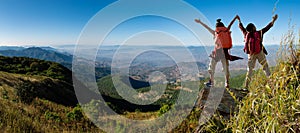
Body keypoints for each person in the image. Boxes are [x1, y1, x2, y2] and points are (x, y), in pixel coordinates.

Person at [195, 15, 239, 88]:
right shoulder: (226, 30)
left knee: (212, 66)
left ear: (216, 27)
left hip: (217, 52)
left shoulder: (216, 32)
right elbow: (231, 23)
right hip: (225, 52)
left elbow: (207, 28)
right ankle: (227, 83)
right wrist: (235, 18)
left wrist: (200, 22)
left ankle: (211, 82)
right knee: (226, 67)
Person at [237, 14, 278, 90]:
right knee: (265, 67)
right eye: (254, 26)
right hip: (259, 53)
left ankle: (246, 87)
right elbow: (267, 27)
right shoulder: (259, 33)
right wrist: (273, 20)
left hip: (251, 55)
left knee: (249, 71)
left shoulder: (246, 34)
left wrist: (239, 20)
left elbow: (241, 28)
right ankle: (272, 83)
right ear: (253, 27)